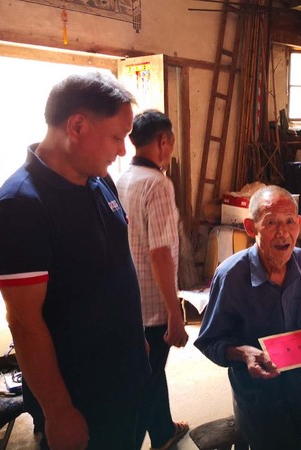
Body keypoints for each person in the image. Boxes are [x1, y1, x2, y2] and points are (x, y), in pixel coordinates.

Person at [0, 72, 150, 450]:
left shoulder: (99, 181)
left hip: (125, 376)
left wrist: (134, 337)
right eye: (117, 137)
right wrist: (58, 411)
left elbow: (114, 268)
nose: (123, 151)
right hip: (81, 394)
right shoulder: (20, 207)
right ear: (77, 126)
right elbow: (25, 324)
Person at [194, 185, 301, 450]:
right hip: (255, 386)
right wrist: (243, 353)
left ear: (299, 224)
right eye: (271, 222)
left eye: (289, 222)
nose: (283, 232)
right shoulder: (231, 275)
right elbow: (209, 341)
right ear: (251, 228)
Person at [116, 110, 189, 450]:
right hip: (153, 306)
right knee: (146, 382)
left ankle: (163, 431)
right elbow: (160, 253)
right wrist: (174, 313)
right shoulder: (158, 184)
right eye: (170, 143)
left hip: (129, 300)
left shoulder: (122, 178)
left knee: (150, 372)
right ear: (163, 141)